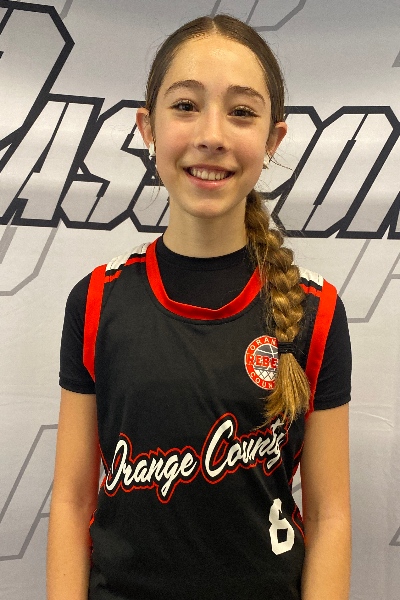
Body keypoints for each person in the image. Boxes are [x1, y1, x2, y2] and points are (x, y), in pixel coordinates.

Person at [47, 13, 352, 600]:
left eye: (241, 111)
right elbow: (72, 501)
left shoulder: (314, 311)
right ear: (148, 127)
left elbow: (330, 515)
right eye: (186, 106)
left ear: (273, 140)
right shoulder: (97, 302)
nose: (212, 134)